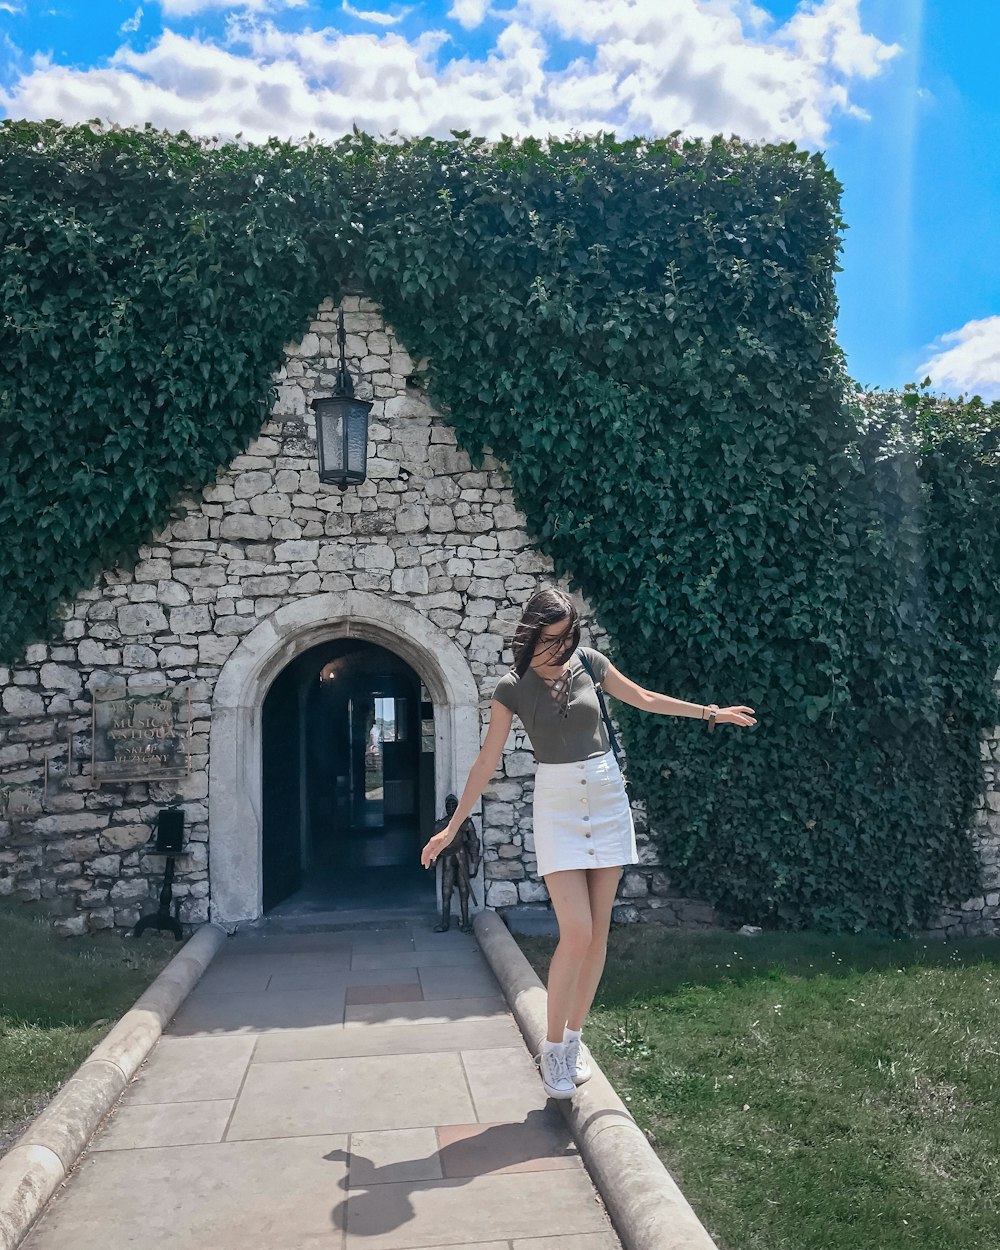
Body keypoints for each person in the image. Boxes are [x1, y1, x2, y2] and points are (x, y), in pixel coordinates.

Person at [420, 587, 757, 1100]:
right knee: (575, 932)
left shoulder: (590, 663)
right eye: (553, 639)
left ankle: (574, 1041)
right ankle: (552, 1050)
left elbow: (643, 698)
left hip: (605, 797)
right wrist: (450, 828)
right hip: (556, 803)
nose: (562, 648)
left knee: (599, 935)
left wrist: (709, 712)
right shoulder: (512, 687)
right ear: (533, 632)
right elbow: (487, 760)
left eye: (568, 637)